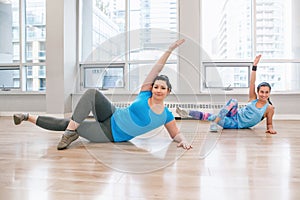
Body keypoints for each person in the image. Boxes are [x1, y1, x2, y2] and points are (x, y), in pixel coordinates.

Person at [13, 39, 192, 150]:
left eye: (162, 88)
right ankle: (70, 132)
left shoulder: (166, 116)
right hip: (112, 113)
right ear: (152, 88)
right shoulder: (145, 94)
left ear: (168, 92)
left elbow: (175, 134)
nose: (158, 90)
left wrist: (183, 141)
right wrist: (169, 50)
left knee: (70, 125)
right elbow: (157, 68)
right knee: (92, 93)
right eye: (156, 86)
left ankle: (27, 117)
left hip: (111, 134)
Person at [176, 55, 277, 134]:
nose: (264, 94)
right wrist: (254, 66)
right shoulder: (253, 98)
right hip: (235, 114)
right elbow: (252, 83)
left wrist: (270, 129)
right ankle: (214, 122)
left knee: (211, 116)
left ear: (269, 93)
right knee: (234, 101)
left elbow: (269, 124)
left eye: (266, 92)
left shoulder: (269, 108)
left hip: (236, 124)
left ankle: (188, 113)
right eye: (262, 92)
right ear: (258, 92)